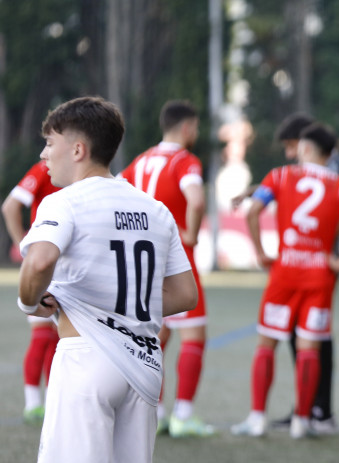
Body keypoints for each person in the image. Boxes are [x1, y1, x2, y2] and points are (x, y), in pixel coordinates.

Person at [18, 96, 197, 463]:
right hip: (144, 365)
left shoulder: (63, 201)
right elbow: (185, 294)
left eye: (50, 143)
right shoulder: (155, 209)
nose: (44, 154)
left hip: (86, 359)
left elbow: (39, 262)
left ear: (78, 149)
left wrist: (29, 302)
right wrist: (120, 300)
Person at [232, 122, 339, 439]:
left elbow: (253, 211)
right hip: (319, 275)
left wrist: (260, 252)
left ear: (305, 149)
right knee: (310, 347)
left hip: (285, 272)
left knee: (267, 342)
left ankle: (256, 419)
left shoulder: (281, 176)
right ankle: (303, 421)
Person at [120, 100, 214, 437]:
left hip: (144, 260)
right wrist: (190, 233)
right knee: (194, 336)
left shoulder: (142, 159)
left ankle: (154, 412)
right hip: (177, 259)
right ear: (187, 128)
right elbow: (197, 199)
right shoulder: (185, 160)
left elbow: (118, 190)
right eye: (197, 127)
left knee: (155, 336)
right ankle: (183, 416)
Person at [2, 160, 60, 423]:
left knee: (60, 340)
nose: (44, 152)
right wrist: (25, 248)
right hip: (47, 264)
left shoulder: (80, 171)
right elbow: (10, 205)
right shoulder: (46, 168)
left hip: (66, 265)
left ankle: (51, 400)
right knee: (42, 336)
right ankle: (34, 402)